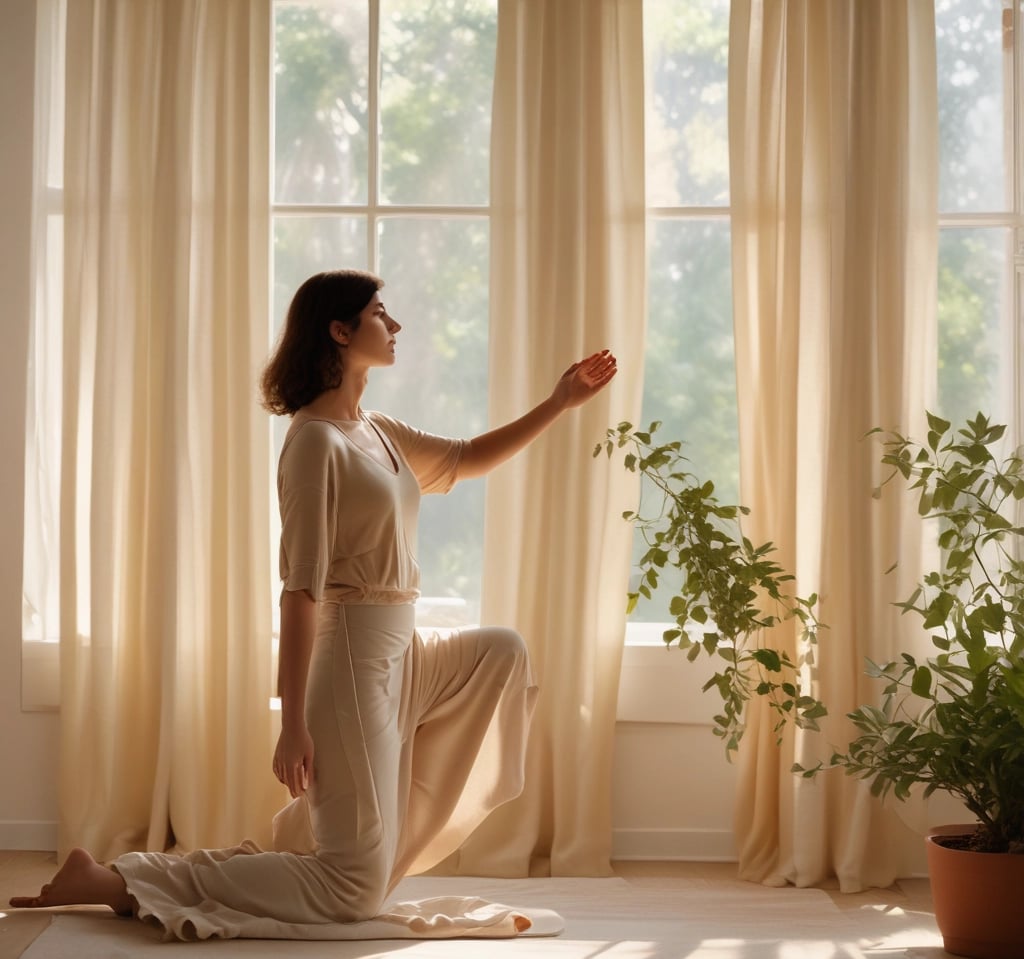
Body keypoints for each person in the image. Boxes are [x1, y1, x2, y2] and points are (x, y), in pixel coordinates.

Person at [10, 269, 617, 941]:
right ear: (339, 330)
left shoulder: (376, 430)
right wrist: (292, 719)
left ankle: (359, 848)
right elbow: (299, 590)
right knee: (350, 893)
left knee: (503, 651)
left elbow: (469, 458)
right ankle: (120, 879)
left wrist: (560, 401)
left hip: (404, 650)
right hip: (353, 661)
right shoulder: (312, 443)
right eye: (381, 313)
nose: (396, 326)